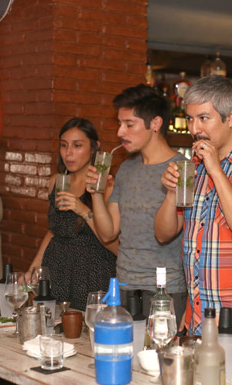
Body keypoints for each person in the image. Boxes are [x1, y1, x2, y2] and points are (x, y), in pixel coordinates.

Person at [155, 75, 232, 351]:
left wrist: (215, 169)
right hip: (197, 321)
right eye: (190, 119)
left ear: (230, 117)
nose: (194, 129)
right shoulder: (195, 165)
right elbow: (164, 234)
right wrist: (171, 193)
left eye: (204, 118)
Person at [86, 84, 187, 325]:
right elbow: (108, 233)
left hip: (165, 290)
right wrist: (96, 193)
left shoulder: (181, 169)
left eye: (129, 124)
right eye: (120, 124)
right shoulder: (126, 169)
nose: (120, 132)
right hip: (124, 286)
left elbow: (166, 234)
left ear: (155, 123)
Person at [27, 117, 117, 311]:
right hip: (57, 268)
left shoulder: (108, 186)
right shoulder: (57, 181)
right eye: (64, 145)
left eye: (77, 146)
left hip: (92, 272)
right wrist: (35, 266)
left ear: (94, 148)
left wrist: (83, 210)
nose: (68, 153)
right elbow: (54, 229)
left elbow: (114, 244)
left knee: (88, 327)